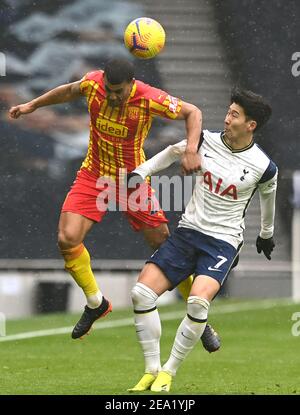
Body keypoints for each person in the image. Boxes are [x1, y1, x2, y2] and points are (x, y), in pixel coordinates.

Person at [9, 57, 219, 351]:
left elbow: (192, 112)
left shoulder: (148, 97)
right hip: (93, 175)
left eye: (119, 91)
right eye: (109, 89)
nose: (113, 96)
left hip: (131, 179)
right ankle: (96, 303)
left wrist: (192, 149)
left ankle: (199, 318)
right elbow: (69, 90)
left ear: (131, 84)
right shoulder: (94, 83)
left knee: (166, 247)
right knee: (67, 239)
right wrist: (32, 105)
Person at [128, 87, 277, 392]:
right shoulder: (205, 141)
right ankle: (150, 370)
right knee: (141, 294)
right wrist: (141, 172)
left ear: (250, 125)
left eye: (234, 115)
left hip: (222, 242)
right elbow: (173, 151)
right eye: (228, 111)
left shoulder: (263, 166)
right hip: (187, 233)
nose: (226, 118)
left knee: (197, 301)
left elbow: (268, 200)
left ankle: (168, 373)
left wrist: (266, 234)